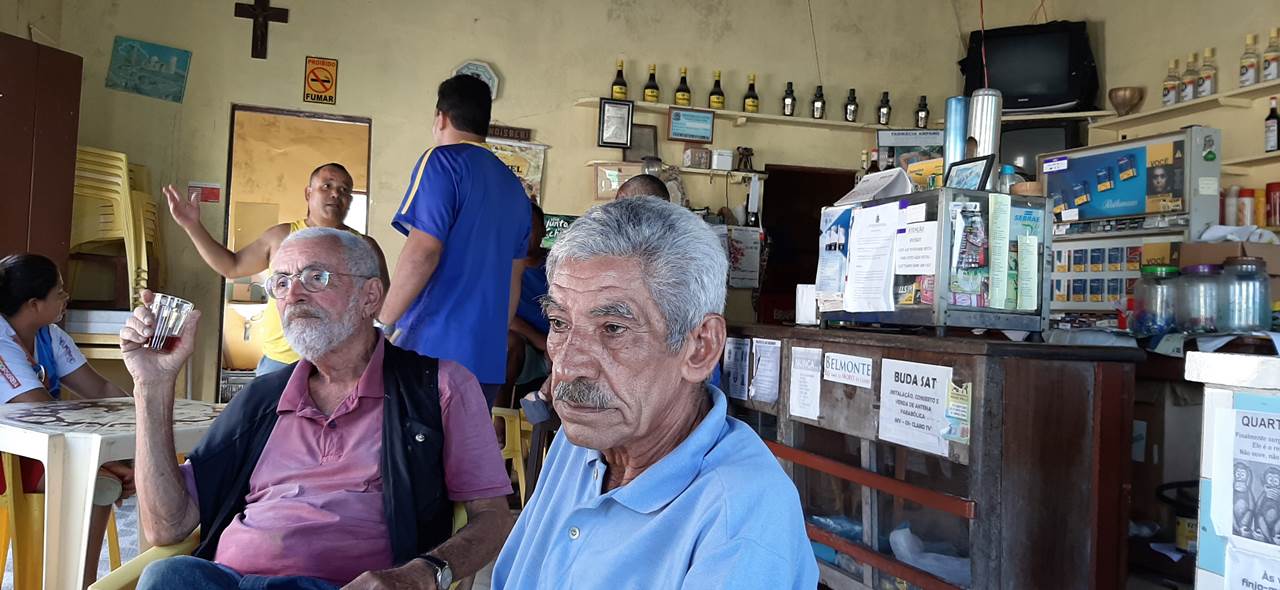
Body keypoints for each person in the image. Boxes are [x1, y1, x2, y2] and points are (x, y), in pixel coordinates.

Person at [122, 228, 514, 590]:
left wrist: (424, 571)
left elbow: (492, 518)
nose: (293, 295)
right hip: (226, 580)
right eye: (281, 283)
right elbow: (168, 527)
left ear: (370, 297)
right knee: (168, 574)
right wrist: (151, 388)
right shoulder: (263, 399)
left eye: (316, 277)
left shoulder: (437, 387)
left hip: (333, 585)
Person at [492, 197, 817, 589]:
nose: (566, 366)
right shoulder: (581, 440)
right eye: (560, 322)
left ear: (700, 348)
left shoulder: (740, 519)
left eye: (613, 328)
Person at [380, 74, 532, 407]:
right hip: (486, 362)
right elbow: (513, 281)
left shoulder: (441, 162)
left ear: (441, 118)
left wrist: (381, 323)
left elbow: (423, 250)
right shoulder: (515, 188)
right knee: (462, 458)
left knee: (408, 457)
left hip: (429, 352)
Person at [163, 163, 388, 376]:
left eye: (344, 190)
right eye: (326, 186)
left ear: (350, 200)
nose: (335, 194)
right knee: (271, 417)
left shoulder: (364, 246)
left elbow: (384, 306)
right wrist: (192, 226)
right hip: (281, 362)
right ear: (308, 193)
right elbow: (232, 267)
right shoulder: (280, 236)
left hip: (344, 363)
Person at [0, 253, 135, 587]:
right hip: (9, 457)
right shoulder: (2, 340)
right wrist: (100, 460)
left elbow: (99, 388)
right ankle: (76, 581)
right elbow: (37, 409)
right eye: (59, 291)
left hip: (41, 450)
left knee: (108, 473)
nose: (66, 296)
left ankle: (81, 581)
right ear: (34, 303)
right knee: (98, 480)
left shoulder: (50, 336)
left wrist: (143, 412)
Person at [499, 203, 549, 409]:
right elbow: (503, 316)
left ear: (544, 230)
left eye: (531, 227)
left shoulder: (561, 264)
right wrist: (541, 342)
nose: (525, 234)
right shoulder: (500, 266)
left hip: (559, 344)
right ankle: (498, 419)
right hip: (527, 347)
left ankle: (555, 436)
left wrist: (555, 344)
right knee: (508, 343)